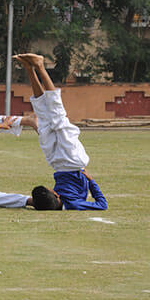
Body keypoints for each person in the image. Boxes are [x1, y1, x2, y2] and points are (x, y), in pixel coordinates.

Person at [14, 54, 104, 210]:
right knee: (56, 115)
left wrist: (91, 181)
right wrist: (91, 181)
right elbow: (102, 205)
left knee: (45, 114)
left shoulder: (56, 203)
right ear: (55, 194)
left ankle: (30, 68)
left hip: (60, 163)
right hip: (68, 161)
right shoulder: (72, 204)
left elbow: (101, 204)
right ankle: (39, 67)